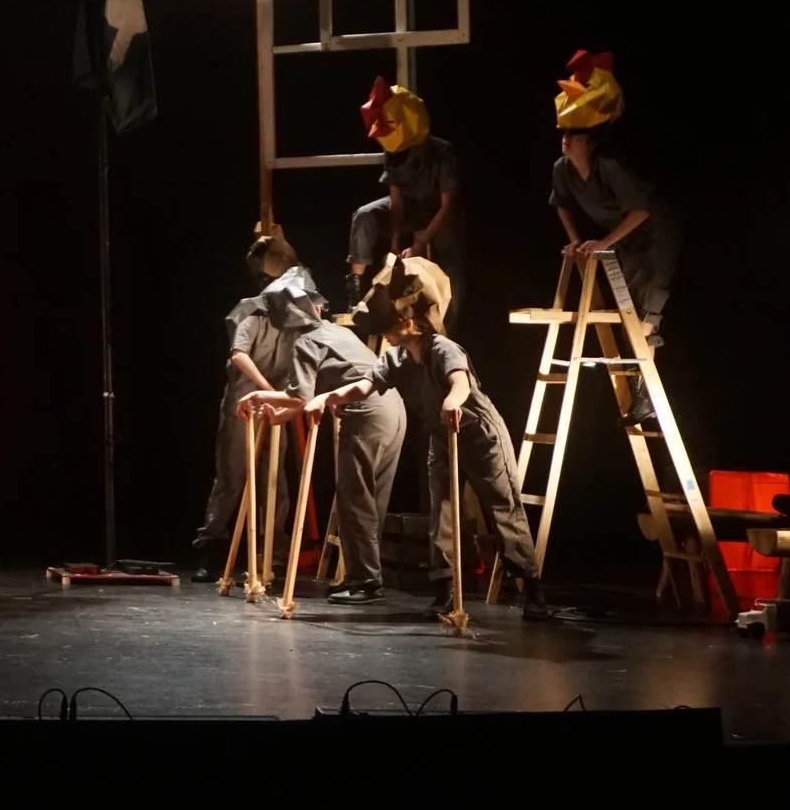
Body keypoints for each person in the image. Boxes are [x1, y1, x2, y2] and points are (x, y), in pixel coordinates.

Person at [311, 254, 555, 621]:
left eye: (389, 327)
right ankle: (445, 591)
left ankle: (532, 589)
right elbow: (365, 385)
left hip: (479, 436)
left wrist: (453, 401)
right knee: (441, 514)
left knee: (502, 509)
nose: (385, 334)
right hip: (441, 438)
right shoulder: (396, 358)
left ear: (407, 323)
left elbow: (460, 382)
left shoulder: (443, 349)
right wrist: (328, 397)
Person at [239, 265, 404, 605]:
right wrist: (282, 414)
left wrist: (257, 395)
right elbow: (306, 398)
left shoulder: (306, 342)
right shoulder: (335, 331)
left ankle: (366, 581)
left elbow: (299, 396)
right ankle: (362, 576)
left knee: (355, 498)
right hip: (392, 408)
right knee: (371, 498)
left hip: (366, 413)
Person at [550, 52, 682, 405]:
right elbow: (561, 204)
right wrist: (576, 242)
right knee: (631, 312)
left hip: (656, 234)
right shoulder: (562, 169)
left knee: (646, 313)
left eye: (574, 135)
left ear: (590, 141)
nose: (566, 140)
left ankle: (645, 395)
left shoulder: (609, 168)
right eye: (564, 133)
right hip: (627, 238)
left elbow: (641, 211)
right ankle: (643, 394)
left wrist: (602, 243)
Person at [191, 228, 302, 581]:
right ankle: (211, 549)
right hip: (245, 402)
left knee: (275, 480)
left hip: (275, 405)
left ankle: (273, 553)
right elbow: (239, 355)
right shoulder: (250, 311)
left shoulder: (296, 316)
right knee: (232, 475)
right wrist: (269, 390)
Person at [346, 79, 461, 308]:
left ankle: (448, 314)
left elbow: (448, 205)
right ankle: (355, 290)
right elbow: (396, 203)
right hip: (410, 210)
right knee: (365, 214)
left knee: (447, 248)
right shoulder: (393, 150)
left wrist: (420, 243)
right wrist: (395, 243)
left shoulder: (442, 151)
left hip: (438, 215)